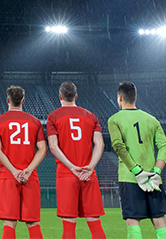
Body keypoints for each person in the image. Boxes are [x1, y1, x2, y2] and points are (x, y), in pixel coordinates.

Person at [107, 82, 166, 239]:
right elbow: (165, 147)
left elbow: (118, 147)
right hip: (153, 179)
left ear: (120, 98)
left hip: (129, 178)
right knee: (159, 221)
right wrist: (156, 171)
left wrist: (137, 171)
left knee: (132, 221)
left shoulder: (114, 119)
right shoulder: (151, 119)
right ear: (135, 97)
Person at [46, 81, 106, 239]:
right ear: (76, 96)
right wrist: (91, 167)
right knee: (95, 222)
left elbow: (53, 146)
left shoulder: (53, 116)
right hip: (88, 174)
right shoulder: (91, 116)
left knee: (68, 224)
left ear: (60, 96)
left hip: (66, 174)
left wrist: (72, 167)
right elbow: (100, 143)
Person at [0, 86, 46, 239]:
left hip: (8, 176)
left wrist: (14, 171)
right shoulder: (35, 122)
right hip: (30, 176)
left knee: (9, 222)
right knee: (33, 223)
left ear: (8, 100)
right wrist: (28, 170)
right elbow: (42, 149)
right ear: (23, 100)